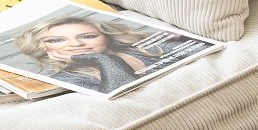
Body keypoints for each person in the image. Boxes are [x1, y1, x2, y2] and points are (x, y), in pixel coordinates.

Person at [15, 17, 164, 94]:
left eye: (88, 37)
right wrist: (103, 59)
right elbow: (124, 92)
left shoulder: (146, 47)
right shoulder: (62, 79)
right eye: (56, 40)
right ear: (42, 48)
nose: (76, 44)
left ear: (107, 36)